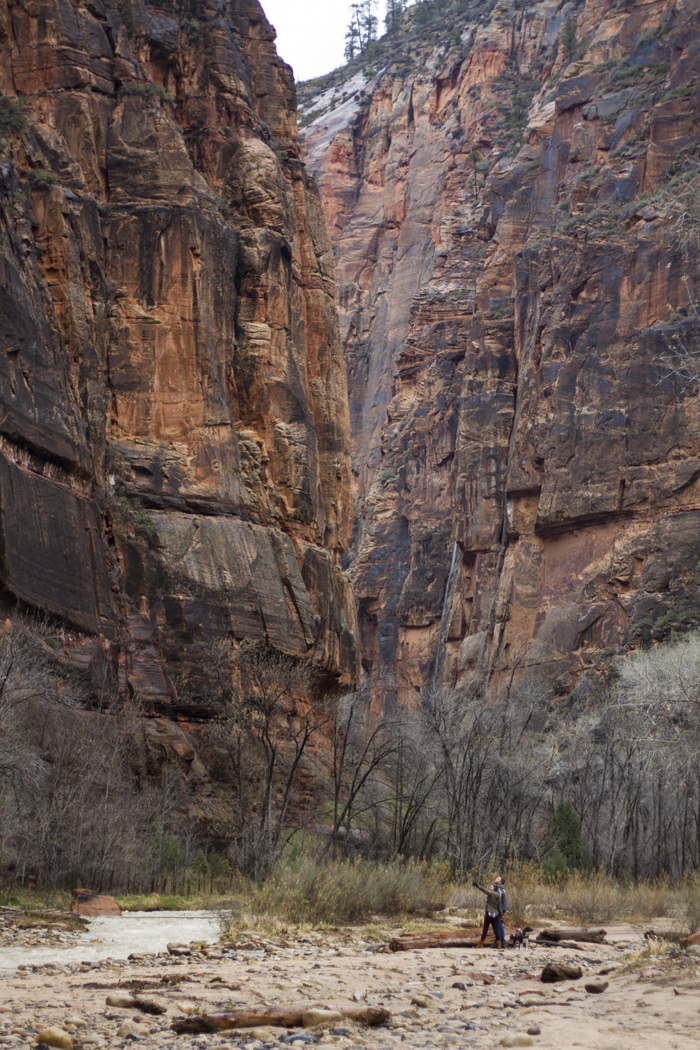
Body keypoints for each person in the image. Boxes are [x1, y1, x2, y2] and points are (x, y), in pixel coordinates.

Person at [473, 879, 505, 948]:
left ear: (494, 889)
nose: (489, 888)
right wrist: (501, 916)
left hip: (489, 914)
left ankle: (481, 944)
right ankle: (499, 945)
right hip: (496, 915)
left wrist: (477, 885)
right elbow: (499, 907)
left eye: (491, 887)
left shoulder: (491, 893)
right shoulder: (498, 896)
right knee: (496, 930)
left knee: (485, 929)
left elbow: (484, 890)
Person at [494, 875, 507, 946]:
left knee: (497, 925)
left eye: (498, 878)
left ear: (500, 882)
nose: (496, 879)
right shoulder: (502, 888)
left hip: (500, 908)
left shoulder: (499, 889)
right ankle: (502, 941)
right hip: (502, 908)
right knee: (500, 925)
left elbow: (498, 900)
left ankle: (500, 942)